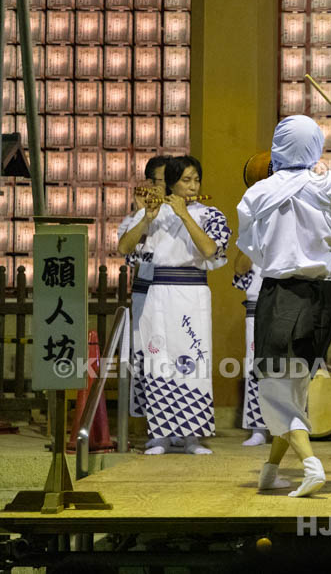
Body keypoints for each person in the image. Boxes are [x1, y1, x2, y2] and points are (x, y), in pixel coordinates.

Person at [236, 110, 331, 498]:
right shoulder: (328, 185)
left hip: (282, 295)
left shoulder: (257, 193)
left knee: (276, 389)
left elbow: (252, 250)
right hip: (324, 297)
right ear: (315, 146)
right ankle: (270, 471)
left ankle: (311, 467)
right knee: (293, 388)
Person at [122, 155, 230, 455]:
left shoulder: (210, 214)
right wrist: (146, 217)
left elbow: (210, 250)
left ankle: (192, 435)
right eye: (186, 180)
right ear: (171, 184)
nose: (193, 185)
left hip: (193, 292)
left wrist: (185, 214)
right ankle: (160, 434)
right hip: (159, 293)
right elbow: (124, 248)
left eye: (196, 179)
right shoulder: (154, 213)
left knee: (193, 360)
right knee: (159, 360)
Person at [117, 155, 171, 450]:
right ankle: (156, 428)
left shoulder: (185, 214)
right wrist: (142, 215)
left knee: (178, 358)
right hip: (146, 292)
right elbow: (130, 255)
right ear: (150, 183)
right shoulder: (134, 219)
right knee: (149, 360)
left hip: (176, 294)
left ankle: (182, 428)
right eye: (165, 179)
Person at [231, 245, 267, 447]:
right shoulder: (253, 233)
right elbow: (240, 268)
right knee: (256, 367)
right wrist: (252, 238)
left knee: (286, 369)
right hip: (256, 307)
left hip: (284, 304)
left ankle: (288, 428)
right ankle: (258, 428)